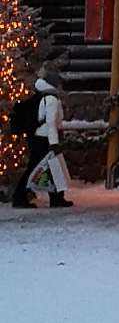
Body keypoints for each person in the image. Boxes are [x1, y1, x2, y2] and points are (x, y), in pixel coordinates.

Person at [9, 53, 71, 209]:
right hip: (44, 139)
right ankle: (21, 197)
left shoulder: (44, 96)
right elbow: (51, 122)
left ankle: (56, 197)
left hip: (40, 137)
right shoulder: (51, 99)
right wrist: (54, 143)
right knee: (38, 168)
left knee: (50, 168)